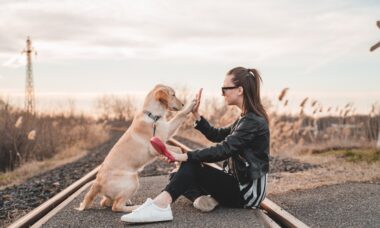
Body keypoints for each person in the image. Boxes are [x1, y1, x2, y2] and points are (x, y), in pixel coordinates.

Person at [121, 67, 270, 223]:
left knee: (190, 166)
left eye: (225, 89)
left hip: (246, 193)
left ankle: (160, 205)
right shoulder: (245, 119)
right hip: (237, 183)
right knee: (177, 176)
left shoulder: (252, 121)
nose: (222, 93)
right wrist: (196, 114)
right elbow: (217, 135)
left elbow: (224, 149)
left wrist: (184, 156)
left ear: (239, 90)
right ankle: (201, 199)